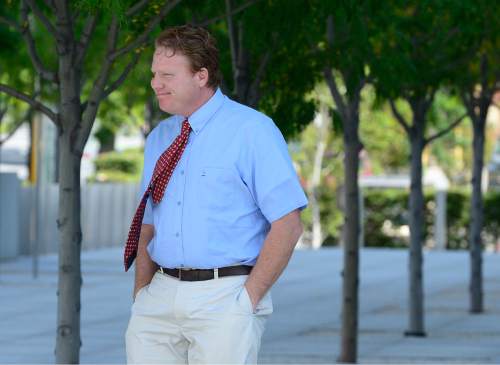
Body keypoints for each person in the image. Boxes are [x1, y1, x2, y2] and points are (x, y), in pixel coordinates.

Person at [124, 24, 307, 364]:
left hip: (224, 297)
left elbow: (288, 223)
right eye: (153, 74)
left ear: (201, 76)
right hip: (159, 298)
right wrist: (142, 294)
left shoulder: (252, 131)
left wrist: (247, 300)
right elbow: (149, 223)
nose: (155, 84)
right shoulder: (159, 138)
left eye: (167, 75)